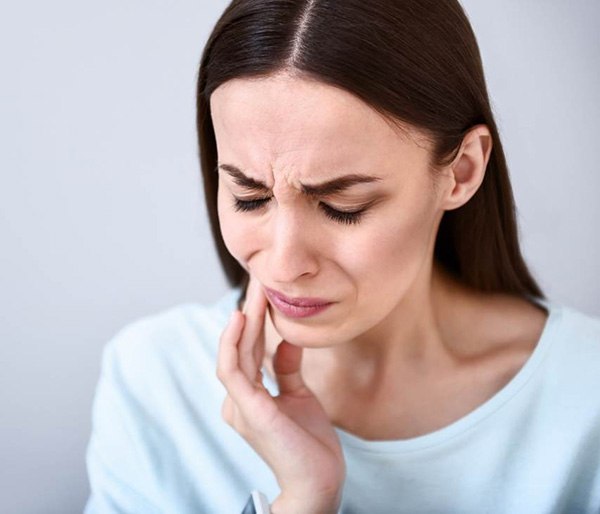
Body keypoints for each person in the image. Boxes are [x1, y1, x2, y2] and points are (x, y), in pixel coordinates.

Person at [84, 1, 600, 513]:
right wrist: (305, 500)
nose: (284, 265)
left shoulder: (585, 395)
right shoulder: (154, 381)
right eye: (249, 197)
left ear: (461, 172)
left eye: (341, 207)